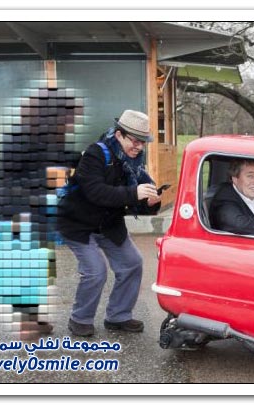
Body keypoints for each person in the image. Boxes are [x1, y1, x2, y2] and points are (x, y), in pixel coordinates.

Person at [58, 109, 162, 337]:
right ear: (118, 135)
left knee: (132, 263)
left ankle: (118, 316)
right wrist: (134, 193)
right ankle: (80, 318)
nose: (139, 147)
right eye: (134, 140)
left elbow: (137, 204)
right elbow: (96, 192)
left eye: (143, 142)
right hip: (78, 223)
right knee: (96, 271)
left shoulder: (135, 164)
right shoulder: (95, 154)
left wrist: (151, 203)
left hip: (109, 224)